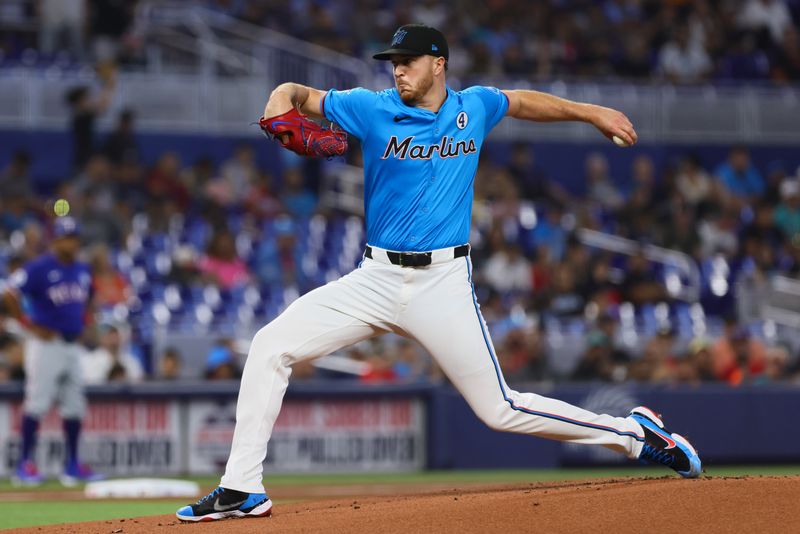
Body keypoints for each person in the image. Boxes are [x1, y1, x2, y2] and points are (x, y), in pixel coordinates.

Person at [177, 24, 701, 523]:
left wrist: (592, 113)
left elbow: (522, 101)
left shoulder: (473, 107)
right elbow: (297, 93)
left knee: (499, 410)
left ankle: (635, 434)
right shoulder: (370, 107)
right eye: (393, 63)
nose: (398, 71)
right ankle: (243, 487)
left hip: (442, 283)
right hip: (374, 279)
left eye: (407, 62)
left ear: (438, 64)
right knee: (270, 346)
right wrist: (278, 101)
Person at [1, 217, 103, 486]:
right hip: (46, 345)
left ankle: (71, 466)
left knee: (75, 406)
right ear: (55, 240)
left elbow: (91, 296)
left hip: (72, 345)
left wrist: (87, 320)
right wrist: (27, 324)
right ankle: (24, 464)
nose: (70, 242)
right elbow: (9, 292)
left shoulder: (82, 269)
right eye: (65, 237)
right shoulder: (39, 267)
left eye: (74, 237)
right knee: (37, 403)